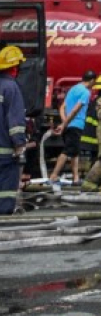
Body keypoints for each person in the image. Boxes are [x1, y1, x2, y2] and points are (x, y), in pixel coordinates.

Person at [50, 70, 95, 184]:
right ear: (92, 81)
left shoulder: (73, 89)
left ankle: (76, 178)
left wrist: (64, 122)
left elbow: (62, 107)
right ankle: (54, 175)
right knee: (67, 151)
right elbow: (76, 109)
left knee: (75, 152)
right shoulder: (86, 92)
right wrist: (65, 124)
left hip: (69, 125)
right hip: (77, 125)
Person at [0, 45, 29, 215]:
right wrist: (19, 144)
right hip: (4, 153)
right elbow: (15, 121)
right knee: (5, 191)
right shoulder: (11, 88)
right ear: (15, 67)